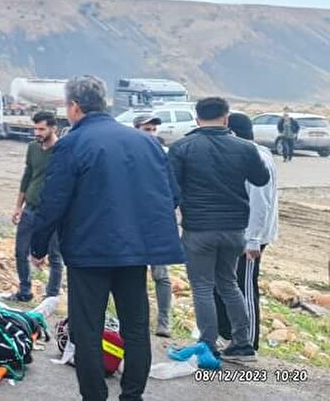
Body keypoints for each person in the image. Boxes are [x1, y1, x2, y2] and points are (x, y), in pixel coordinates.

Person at [29, 75, 185, 399]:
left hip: (88, 252)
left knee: (86, 331)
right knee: (136, 327)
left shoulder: (72, 144)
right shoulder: (147, 143)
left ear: (74, 106)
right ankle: (132, 395)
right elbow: (171, 195)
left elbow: (53, 201)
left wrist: (38, 245)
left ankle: (94, 395)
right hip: (134, 251)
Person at [168, 97, 270, 365]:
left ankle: (208, 345)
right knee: (229, 283)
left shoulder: (182, 147)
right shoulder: (245, 148)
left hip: (199, 229)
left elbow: (171, 191)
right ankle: (242, 343)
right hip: (234, 229)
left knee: (202, 287)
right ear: (226, 118)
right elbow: (261, 178)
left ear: (196, 118)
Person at [217, 113, 279, 352]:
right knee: (224, 284)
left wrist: (252, 239)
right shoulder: (242, 154)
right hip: (235, 234)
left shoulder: (254, 157)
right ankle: (228, 335)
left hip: (249, 238)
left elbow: (260, 201)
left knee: (245, 286)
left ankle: (247, 344)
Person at [10, 111, 64, 303]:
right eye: (35, 128)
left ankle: (52, 295)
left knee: (54, 256)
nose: (37, 133)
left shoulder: (62, 150)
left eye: (41, 129)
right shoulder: (33, 148)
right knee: (20, 251)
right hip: (30, 209)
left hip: (51, 213)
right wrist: (18, 206)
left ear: (53, 128)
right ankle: (25, 290)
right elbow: (27, 176)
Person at [131, 113, 175, 338]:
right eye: (146, 129)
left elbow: (174, 190)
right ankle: (136, 320)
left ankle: (164, 321)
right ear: (136, 129)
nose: (151, 133)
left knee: (161, 274)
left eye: (153, 130)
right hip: (132, 222)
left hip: (157, 222)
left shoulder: (165, 155)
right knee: (133, 274)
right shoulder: (127, 154)